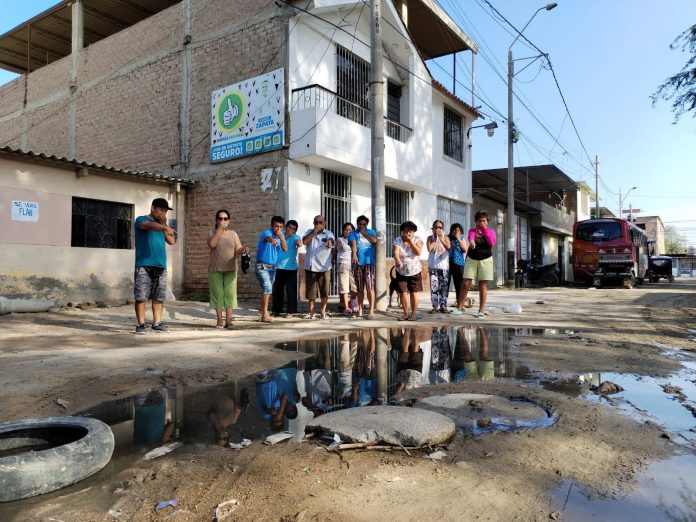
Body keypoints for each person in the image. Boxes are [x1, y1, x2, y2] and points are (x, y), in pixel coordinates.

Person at [134, 198, 176, 334]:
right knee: (141, 296)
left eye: (165, 211)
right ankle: (141, 324)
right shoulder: (141, 220)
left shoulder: (162, 225)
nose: (162, 214)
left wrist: (164, 226)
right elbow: (150, 226)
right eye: (160, 210)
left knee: (159, 297)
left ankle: (156, 323)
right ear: (153, 208)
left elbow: (171, 240)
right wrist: (164, 226)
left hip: (160, 266)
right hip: (143, 265)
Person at [207, 209, 247, 329]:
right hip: (215, 269)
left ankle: (229, 321)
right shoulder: (211, 232)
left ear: (229, 220)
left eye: (225, 219)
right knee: (217, 294)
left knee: (230, 294)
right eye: (220, 218)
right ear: (216, 220)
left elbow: (238, 249)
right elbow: (212, 245)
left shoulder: (233, 234)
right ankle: (220, 320)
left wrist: (244, 249)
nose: (223, 220)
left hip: (231, 268)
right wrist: (220, 229)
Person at [461, 210, 497, 318]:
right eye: (480, 220)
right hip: (472, 259)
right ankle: (459, 307)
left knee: (483, 285)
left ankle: (481, 310)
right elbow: (471, 239)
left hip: (485, 260)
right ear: (476, 222)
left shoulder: (491, 232)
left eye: (484, 220)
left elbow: (491, 243)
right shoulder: (472, 231)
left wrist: (485, 230)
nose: (482, 222)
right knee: (466, 283)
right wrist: (472, 242)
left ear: (487, 222)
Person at [255, 216, 288, 323]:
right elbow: (269, 239)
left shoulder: (280, 235)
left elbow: (285, 248)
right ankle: (264, 315)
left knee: (267, 289)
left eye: (280, 227)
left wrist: (281, 237)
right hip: (262, 266)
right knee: (268, 288)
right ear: (271, 226)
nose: (278, 229)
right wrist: (273, 240)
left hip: (273, 267)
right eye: (276, 226)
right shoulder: (267, 233)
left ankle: (262, 310)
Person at [302, 215, 335, 319]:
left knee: (324, 291)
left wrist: (330, 242)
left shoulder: (329, 233)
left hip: (324, 268)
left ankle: (323, 311)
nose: (318, 224)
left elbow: (331, 240)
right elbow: (304, 242)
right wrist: (314, 232)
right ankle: (312, 312)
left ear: (324, 223)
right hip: (311, 267)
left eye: (320, 222)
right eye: (316, 222)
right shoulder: (309, 232)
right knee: (311, 292)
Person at [392, 220, 424, 321]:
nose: (408, 233)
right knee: (403, 292)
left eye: (411, 231)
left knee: (414, 292)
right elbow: (395, 252)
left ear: (414, 231)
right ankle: (406, 313)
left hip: (415, 270)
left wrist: (410, 241)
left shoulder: (417, 239)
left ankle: (413, 314)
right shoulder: (397, 240)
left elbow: (418, 252)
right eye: (406, 231)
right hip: (401, 270)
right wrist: (397, 260)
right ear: (402, 231)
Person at [349, 215, 378, 319]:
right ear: (357, 224)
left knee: (370, 288)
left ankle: (371, 310)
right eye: (360, 224)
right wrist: (354, 255)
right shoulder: (353, 233)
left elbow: (374, 241)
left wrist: (364, 232)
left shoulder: (371, 232)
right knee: (360, 288)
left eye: (364, 224)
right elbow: (353, 244)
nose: (362, 226)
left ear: (367, 224)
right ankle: (360, 310)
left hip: (370, 262)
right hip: (358, 263)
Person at [271, 220, 302, 317]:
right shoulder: (280, 235)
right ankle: (276, 310)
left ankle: (291, 311)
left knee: (291, 291)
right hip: (279, 267)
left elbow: (299, 243)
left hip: (291, 269)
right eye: (289, 227)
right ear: (286, 228)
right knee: (278, 290)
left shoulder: (296, 237)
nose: (291, 230)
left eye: (293, 229)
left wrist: (298, 242)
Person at [426, 219, 451, 313]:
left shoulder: (446, 237)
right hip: (433, 266)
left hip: (444, 266)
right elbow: (429, 248)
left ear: (442, 228)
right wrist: (435, 239)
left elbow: (448, 247)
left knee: (444, 287)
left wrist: (441, 239)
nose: (438, 229)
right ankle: (435, 306)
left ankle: (443, 306)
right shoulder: (430, 238)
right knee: (434, 287)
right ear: (433, 228)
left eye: (440, 227)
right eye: (436, 227)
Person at [335, 222, 356, 316]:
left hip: (354, 265)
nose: (347, 231)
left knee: (355, 287)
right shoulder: (340, 239)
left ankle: (352, 303)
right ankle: (346, 307)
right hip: (343, 264)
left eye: (350, 230)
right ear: (343, 231)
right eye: (346, 230)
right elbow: (339, 247)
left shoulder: (355, 240)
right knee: (344, 287)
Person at [447, 223, 469, 315]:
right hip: (447, 263)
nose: (456, 232)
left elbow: (465, 249)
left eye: (458, 230)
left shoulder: (462, 239)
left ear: (461, 231)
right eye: (455, 230)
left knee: (459, 285)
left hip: (459, 263)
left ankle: (459, 304)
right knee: (446, 283)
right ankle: (443, 304)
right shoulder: (447, 239)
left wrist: (458, 239)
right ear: (451, 231)